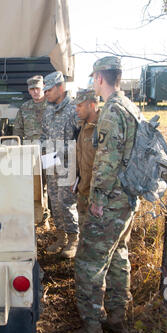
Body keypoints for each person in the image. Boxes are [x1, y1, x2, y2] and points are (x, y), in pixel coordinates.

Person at [57, 56, 141, 333]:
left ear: (99, 79)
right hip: (128, 198)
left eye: (93, 77)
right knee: (119, 255)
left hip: (110, 202)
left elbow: (107, 161)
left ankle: (92, 330)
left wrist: (97, 200)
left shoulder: (111, 112)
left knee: (87, 263)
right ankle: (117, 316)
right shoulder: (131, 107)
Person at [40, 71, 79, 258]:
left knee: (67, 204)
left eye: (49, 89)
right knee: (54, 203)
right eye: (44, 90)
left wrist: (57, 150)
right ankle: (61, 237)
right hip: (51, 164)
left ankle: (74, 240)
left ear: (61, 88)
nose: (45, 93)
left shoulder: (74, 109)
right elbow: (43, 134)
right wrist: (41, 148)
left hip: (68, 165)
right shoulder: (48, 110)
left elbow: (80, 141)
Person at [13, 75, 50, 229]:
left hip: (49, 152)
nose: (35, 92)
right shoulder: (24, 108)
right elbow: (18, 130)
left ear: (44, 88)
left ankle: (47, 217)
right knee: (34, 185)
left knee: (51, 185)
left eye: (38, 88)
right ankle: (38, 217)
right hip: (30, 153)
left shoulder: (52, 106)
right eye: (32, 89)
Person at [74, 88, 100, 231]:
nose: (76, 110)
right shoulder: (83, 127)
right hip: (83, 192)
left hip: (98, 198)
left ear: (91, 105)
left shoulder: (103, 127)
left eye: (79, 106)